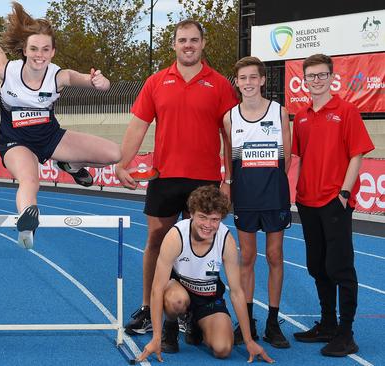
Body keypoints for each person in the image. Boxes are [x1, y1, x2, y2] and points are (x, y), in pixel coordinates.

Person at [115, 19, 237, 337]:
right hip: (165, 176)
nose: (188, 45)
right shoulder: (156, 82)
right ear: (174, 44)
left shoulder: (220, 85)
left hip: (206, 179)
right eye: (182, 40)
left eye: (194, 40)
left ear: (203, 44)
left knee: (199, 245)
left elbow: (230, 136)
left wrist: (229, 180)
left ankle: (188, 310)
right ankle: (147, 307)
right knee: (156, 242)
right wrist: (122, 163)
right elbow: (137, 126)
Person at [0, 2, 121, 249]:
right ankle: (27, 221)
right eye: (34, 48)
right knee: (30, 180)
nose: (39, 55)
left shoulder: (58, 76)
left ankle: (71, 165)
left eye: (45, 49)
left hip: (50, 137)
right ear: (24, 49)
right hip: (15, 141)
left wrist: (100, 81)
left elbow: (88, 81)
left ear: (53, 52)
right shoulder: (8, 71)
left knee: (114, 154)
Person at [291, 54, 374, 357]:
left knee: (340, 267)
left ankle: (346, 333)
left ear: (331, 77)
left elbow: (357, 155)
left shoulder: (347, 111)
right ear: (304, 79)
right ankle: (327, 324)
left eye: (322, 75)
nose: (316, 80)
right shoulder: (300, 116)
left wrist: (344, 192)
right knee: (317, 266)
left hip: (334, 201)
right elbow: (299, 158)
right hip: (307, 202)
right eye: (311, 76)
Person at [136, 185, 273, 363]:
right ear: (191, 213)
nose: (208, 225)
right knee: (175, 300)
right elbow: (157, 288)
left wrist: (248, 340)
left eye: (214, 219)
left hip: (208, 297)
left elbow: (237, 292)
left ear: (221, 219)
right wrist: (155, 337)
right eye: (202, 217)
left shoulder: (226, 239)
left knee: (223, 349)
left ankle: (196, 324)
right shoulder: (176, 236)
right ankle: (170, 328)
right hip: (178, 291)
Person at [222, 56, 291, 348]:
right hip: (246, 197)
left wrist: (271, 183)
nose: (248, 83)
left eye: (253, 77)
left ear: (263, 80)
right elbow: (229, 158)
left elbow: (285, 158)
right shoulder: (230, 117)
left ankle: (273, 323)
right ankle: (246, 321)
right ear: (236, 83)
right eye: (243, 78)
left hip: (274, 195)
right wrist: (229, 183)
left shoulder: (280, 112)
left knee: (275, 257)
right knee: (247, 258)